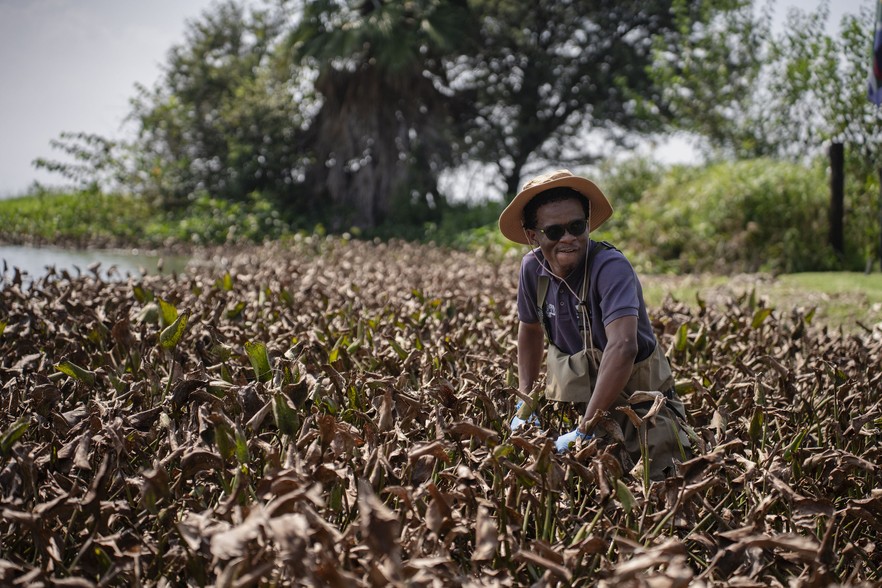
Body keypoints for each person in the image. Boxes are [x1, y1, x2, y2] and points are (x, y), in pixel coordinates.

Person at [498, 169, 691, 480]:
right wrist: (527, 403)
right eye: (554, 231)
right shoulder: (531, 269)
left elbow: (623, 347)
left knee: (653, 495)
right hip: (573, 408)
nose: (569, 239)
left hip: (641, 415)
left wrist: (585, 431)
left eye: (577, 226)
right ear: (533, 236)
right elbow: (530, 330)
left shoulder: (610, 268)